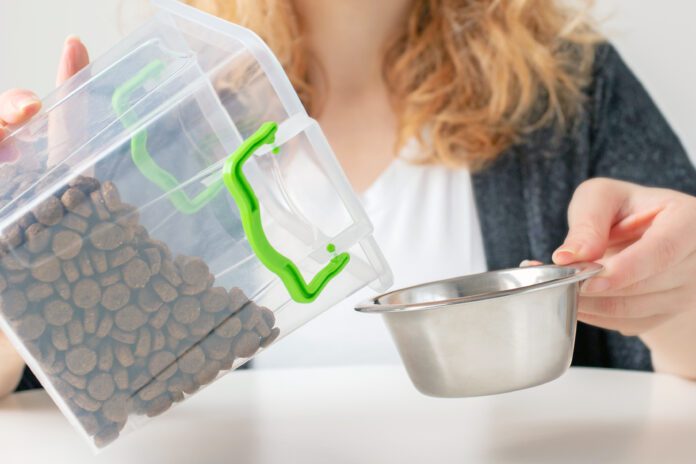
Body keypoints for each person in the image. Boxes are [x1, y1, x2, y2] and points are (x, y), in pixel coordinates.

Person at [1, 0, 695, 398]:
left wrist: (673, 296)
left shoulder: (572, 86)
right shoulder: (155, 112)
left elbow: (676, 370)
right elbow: (64, 390)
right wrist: (17, 278)